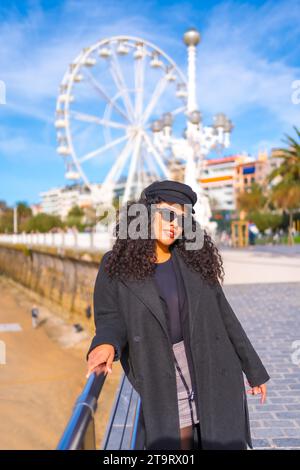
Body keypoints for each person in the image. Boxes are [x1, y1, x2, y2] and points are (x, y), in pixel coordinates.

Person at [86, 180, 270, 450]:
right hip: (162, 375)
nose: (175, 223)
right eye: (168, 213)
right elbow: (110, 317)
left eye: (183, 218)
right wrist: (105, 344)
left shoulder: (194, 261)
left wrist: (254, 370)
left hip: (211, 370)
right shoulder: (116, 265)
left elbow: (224, 315)